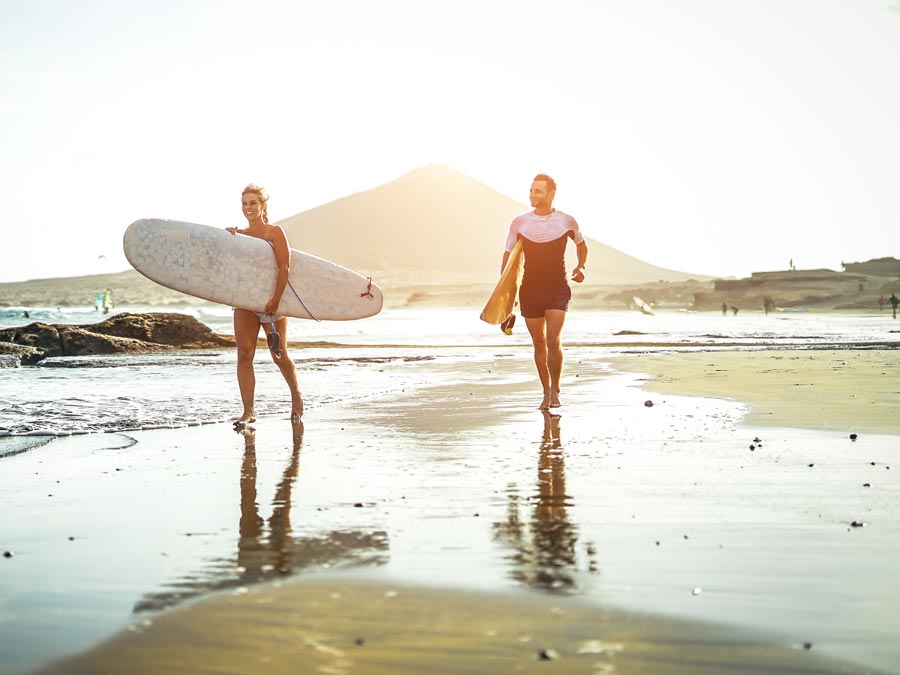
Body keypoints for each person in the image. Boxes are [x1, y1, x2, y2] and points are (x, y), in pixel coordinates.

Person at [500, 174, 587, 410]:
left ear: (551, 194)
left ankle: (556, 388)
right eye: (531, 190)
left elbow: (581, 244)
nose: (532, 195)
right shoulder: (520, 223)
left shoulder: (566, 221)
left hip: (558, 288)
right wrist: (506, 296)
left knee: (553, 340)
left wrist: (580, 267)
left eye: (538, 191)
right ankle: (546, 391)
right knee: (539, 343)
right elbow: (508, 257)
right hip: (530, 289)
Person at [226, 184, 303, 426]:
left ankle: (296, 396)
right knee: (244, 354)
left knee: (278, 355)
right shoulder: (240, 235)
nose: (248, 208)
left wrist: (276, 299)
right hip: (246, 301)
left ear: (262, 206)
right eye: (245, 204)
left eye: (253, 203)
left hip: (272, 302)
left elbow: (285, 267)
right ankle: (248, 412)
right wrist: (226, 239)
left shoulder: (274, 232)